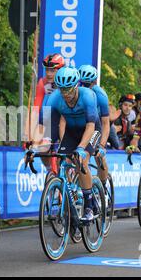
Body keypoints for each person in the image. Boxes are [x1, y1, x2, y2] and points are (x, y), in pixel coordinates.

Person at [33, 67, 100, 221]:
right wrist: (33, 147)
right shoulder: (54, 98)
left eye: (68, 89)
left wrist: (81, 148)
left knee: (81, 160)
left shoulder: (88, 95)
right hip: (72, 131)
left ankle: (90, 204)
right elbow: (44, 127)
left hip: (92, 130)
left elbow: (91, 126)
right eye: (62, 90)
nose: (65, 94)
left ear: (76, 86)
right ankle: (72, 199)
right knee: (63, 159)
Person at [27, 53, 65, 173]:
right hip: (51, 118)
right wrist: (29, 134)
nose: (48, 73)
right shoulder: (43, 83)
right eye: (47, 70)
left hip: (67, 118)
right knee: (43, 149)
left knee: (66, 154)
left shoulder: (67, 81)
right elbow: (36, 108)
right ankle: (50, 172)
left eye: (52, 70)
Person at [78, 65, 110, 185]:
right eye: (82, 83)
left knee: (97, 156)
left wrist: (101, 145)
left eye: (88, 84)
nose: (85, 87)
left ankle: (102, 188)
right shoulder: (76, 92)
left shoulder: (101, 95)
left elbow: (106, 123)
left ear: (94, 82)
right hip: (82, 126)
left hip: (98, 127)